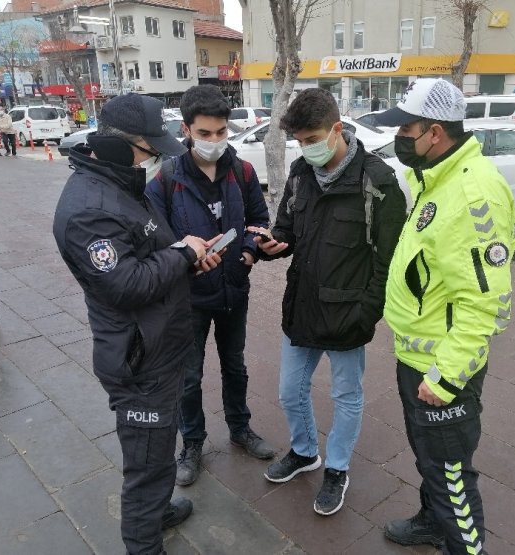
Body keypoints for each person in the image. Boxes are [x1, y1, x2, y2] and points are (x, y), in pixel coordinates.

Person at [53, 93, 223, 555]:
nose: (156, 161)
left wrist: (188, 258)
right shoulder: (89, 208)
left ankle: (160, 508)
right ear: (119, 146)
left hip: (160, 347)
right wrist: (182, 254)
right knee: (146, 467)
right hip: (138, 361)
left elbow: (152, 254)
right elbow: (125, 284)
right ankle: (145, 543)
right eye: (150, 151)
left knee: (158, 447)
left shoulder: (120, 186)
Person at [374, 78, 515, 555]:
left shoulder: (475, 195)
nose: (399, 138)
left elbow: (485, 304)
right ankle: (431, 522)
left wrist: (447, 377)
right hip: (416, 352)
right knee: (430, 458)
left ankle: (462, 544)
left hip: (442, 366)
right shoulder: (436, 173)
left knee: (451, 472)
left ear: (434, 132)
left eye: (406, 129)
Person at [252, 88, 406, 516]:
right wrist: (274, 243)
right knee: (289, 391)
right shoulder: (302, 174)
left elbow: (388, 259)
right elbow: (286, 228)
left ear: (337, 129)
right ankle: (304, 453)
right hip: (302, 305)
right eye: (299, 141)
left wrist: (367, 313)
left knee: (346, 394)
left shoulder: (377, 180)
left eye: (312, 138)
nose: (306, 148)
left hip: (347, 312)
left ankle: (336, 468)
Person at [146, 84, 275, 487]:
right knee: (189, 375)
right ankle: (193, 444)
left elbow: (258, 219)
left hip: (234, 288)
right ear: (186, 130)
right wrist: (186, 256)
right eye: (205, 134)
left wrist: (253, 251)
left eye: (221, 132)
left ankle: (240, 429)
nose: (215, 141)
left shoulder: (243, 171)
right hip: (189, 297)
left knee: (235, 365)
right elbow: (155, 239)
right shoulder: (166, 178)